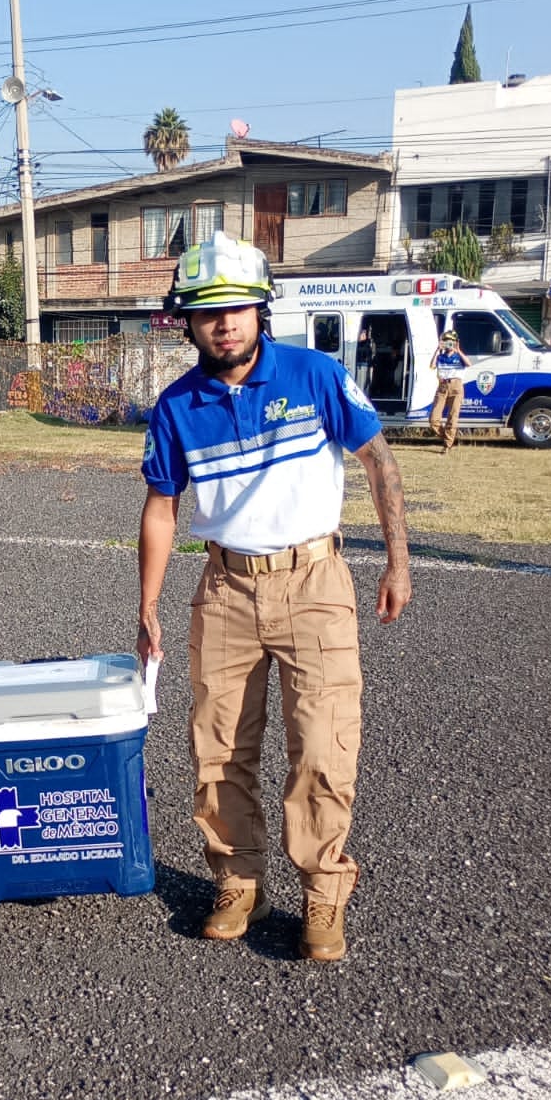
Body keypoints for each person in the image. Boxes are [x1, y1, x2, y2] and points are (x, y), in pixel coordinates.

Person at [136, 233, 411, 962]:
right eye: (207, 311)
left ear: (261, 309)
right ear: (186, 322)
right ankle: (236, 881)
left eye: (237, 308)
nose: (224, 323)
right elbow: (161, 508)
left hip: (315, 583)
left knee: (323, 744)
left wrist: (398, 562)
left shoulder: (315, 374)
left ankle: (324, 892)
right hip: (224, 587)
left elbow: (379, 461)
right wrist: (148, 607)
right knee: (218, 749)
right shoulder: (175, 407)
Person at [428, 328, 470, 451]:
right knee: (433, 419)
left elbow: (468, 364)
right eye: (446, 341)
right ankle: (447, 438)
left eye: (451, 342)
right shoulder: (441, 356)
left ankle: (447, 445)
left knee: (452, 416)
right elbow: (432, 366)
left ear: (456, 342)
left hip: (456, 386)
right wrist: (437, 350)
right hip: (442, 386)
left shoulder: (459, 356)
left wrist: (458, 350)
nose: (448, 344)